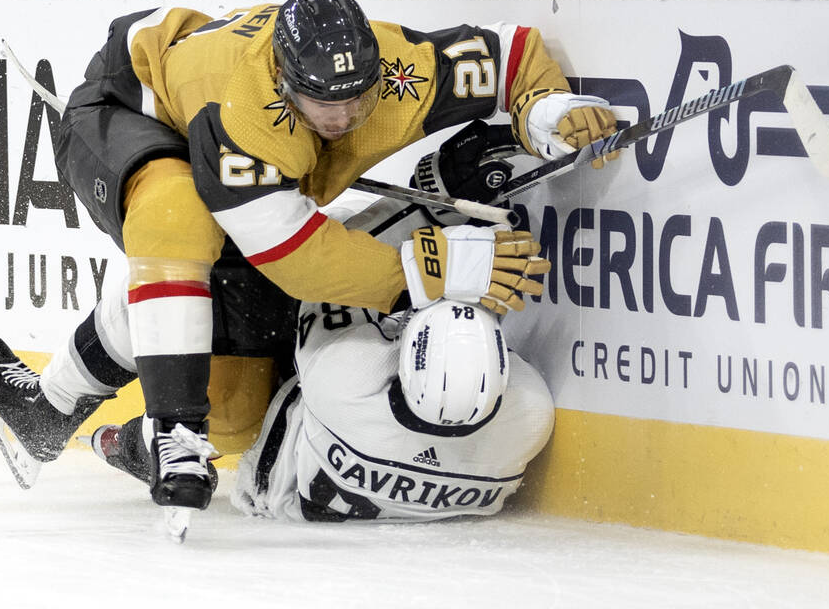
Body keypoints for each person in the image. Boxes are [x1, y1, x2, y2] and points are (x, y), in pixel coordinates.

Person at [0, 0, 616, 530]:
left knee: (239, 411)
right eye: (322, 101)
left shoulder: (402, 69)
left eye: (357, 96)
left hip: (235, 135)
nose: (342, 116)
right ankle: (103, 413)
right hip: (130, 103)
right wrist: (437, 265)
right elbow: (293, 258)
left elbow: (515, 54)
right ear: (283, 80)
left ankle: (68, 424)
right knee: (183, 221)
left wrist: (547, 111)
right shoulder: (244, 114)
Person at [90, 198, 556, 523]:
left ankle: (128, 443)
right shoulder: (530, 413)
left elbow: (326, 273)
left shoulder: (347, 379)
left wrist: (440, 202)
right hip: (346, 486)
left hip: (272, 481)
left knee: (231, 407)